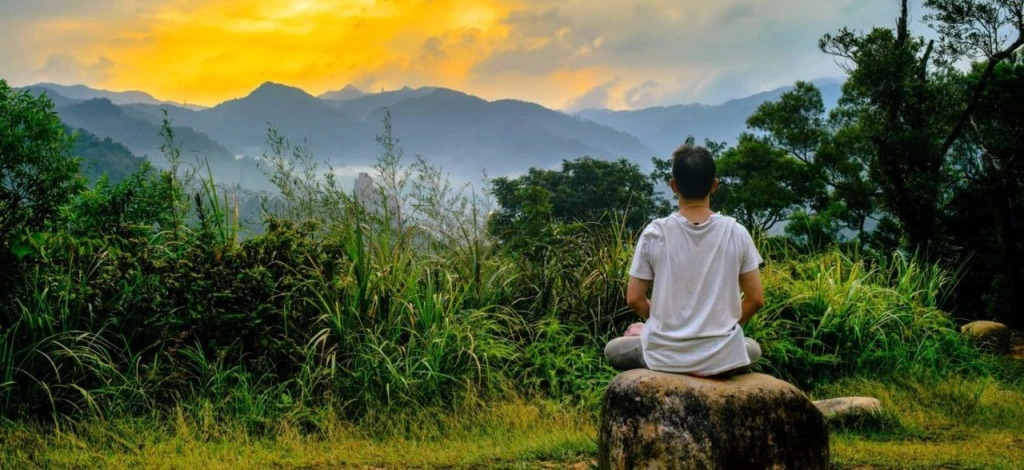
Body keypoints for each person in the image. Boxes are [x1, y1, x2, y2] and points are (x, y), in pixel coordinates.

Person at [604, 144, 764, 377]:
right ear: (714, 185)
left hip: (665, 355)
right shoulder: (736, 232)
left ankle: (650, 335)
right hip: (720, 356)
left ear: (673, 186)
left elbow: (635, 299)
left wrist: (661, 326)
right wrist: (724, 332)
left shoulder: (654, 233)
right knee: (753, 349)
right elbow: (756, 299)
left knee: (613, 349)